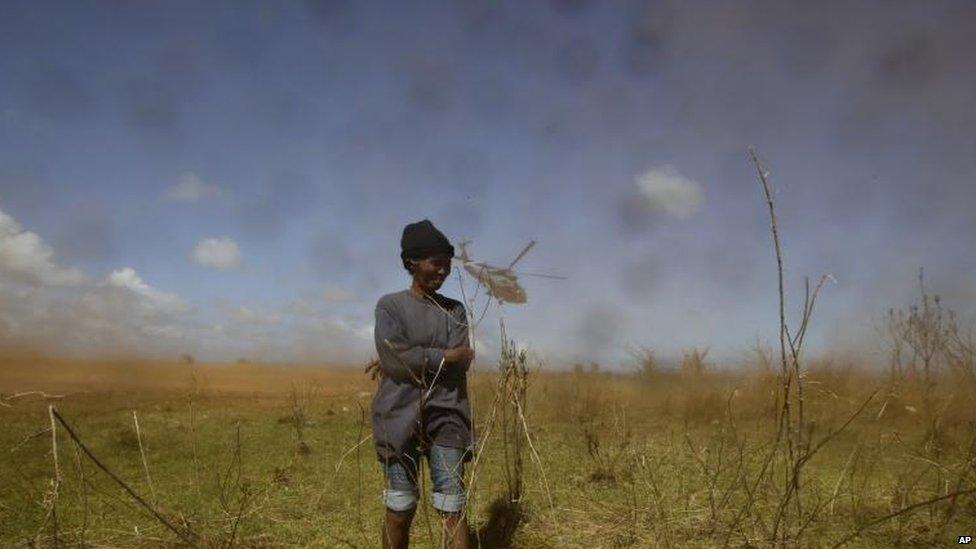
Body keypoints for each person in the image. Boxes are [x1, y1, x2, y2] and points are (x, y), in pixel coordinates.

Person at [372, 219, 474, 549]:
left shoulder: (455, 310)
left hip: (447, 416)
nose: (443, 272)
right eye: (436, 264)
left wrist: (416, 358)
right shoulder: (390, 306)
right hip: (399, 419)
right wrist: (444, 355)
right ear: (412, 263)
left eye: (447, 265)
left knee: (452, 508)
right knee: (400, 508)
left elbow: (462, 361)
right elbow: (395, 360)